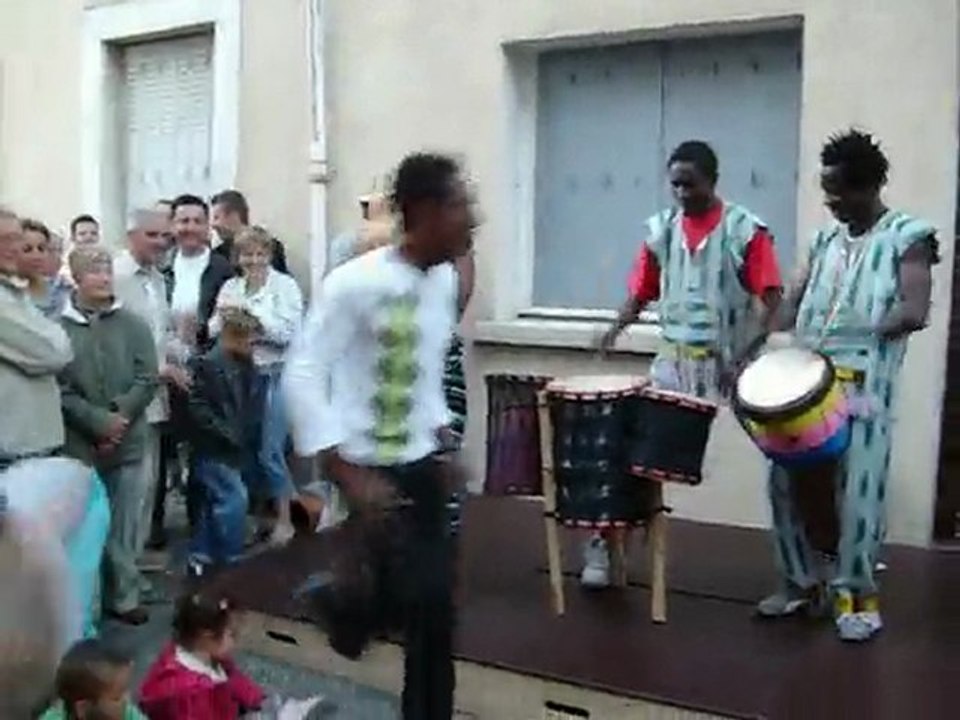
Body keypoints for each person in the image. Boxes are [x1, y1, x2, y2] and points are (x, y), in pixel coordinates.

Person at [284, 152, 472, 719]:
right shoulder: (353, 284)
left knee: (435, 614)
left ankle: (353, 610)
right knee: (418, 602)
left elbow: (425, 369)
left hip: (421, 464)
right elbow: (304, 371)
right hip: (365, 469)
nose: (471, 219)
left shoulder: (442, 283)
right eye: (459, 205)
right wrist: (342, 472)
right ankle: (349, 606)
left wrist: (441, 433)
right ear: (422, 211)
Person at [757, 129, 938, 642]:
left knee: (858, 491)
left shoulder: (909, 236)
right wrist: (772, 338)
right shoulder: (824, 239)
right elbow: (793, 299)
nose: (831, 201)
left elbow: (914, 309)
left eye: (839, 191)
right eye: (827, 190)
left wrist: (864, 331)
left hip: (861, 386)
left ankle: (856, 596)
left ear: (869, 186)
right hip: (806, 382)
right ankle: (799, 585)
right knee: (783, 483)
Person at [585, 140, 784, 589]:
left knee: (787, 449)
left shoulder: (745, 230)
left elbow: (772, 303)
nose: (681, 193)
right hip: (673, 363)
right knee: (635, 453)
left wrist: (746, 355)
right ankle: (604, 543)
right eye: (674, 184)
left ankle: (809, 562)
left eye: (690, 184)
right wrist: (614, 331)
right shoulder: (661, 231)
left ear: (712, 181)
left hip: (730, 361)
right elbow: (641, 291)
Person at [59, 245, 159, 625]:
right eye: (93, 270)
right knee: (86, 526)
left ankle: (125, 596)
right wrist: (97, 422)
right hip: (80, 443)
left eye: (106, 269)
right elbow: (60, 388)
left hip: (129, 440)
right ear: (76, 277)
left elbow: (147, 376)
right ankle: (88, 602)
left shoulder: (133, 325)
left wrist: (119, 416)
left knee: (125, 524)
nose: (102, 277)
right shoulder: (59, 328)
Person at [209, 226, 303, 545]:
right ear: (237, 257)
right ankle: (260, 517)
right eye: (247, 254)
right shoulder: (230, 287)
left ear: (270, 255)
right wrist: (227, 319)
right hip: (239, 375)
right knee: (245, 449)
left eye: (260, 253)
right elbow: (212, 329)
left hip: (275, 373)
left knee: (271, 450)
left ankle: (288, 519)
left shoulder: (285, 286)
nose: (254, 260)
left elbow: (289, 332)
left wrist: (254, 321)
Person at [114, 209, 189, 571]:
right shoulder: (115, 276)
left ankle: (133, 566)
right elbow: (114, 345)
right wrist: (161, 369)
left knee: (148, 489)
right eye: (153, 235)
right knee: (128, 494)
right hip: (128, 401)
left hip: (157, 400)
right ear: (132, 235)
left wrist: (184, 351)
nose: (161, 243)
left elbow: (161, 335)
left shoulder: (158, 279)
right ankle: (120, 577)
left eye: (165, 236)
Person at [187, 307, 264, 577]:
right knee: (234, 500)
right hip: (214, 448)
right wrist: (226, 433)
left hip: (234, 446)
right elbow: (197, 409)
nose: (254, 346)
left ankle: (201, 554)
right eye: (251, 340)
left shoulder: (246, 366)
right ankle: (231, 558)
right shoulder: (207, 365)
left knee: (216, 503)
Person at [0, 208, 74, 471]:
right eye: (3, 240)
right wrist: (55, 335)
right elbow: (55, 352)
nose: (13, 248)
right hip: (13, 447)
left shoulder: (13, 291)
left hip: (26, 443)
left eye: (15, 238)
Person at [138, 592, 265, 719]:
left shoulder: (211, 656)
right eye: (232, 635)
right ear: (206, 636)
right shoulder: (190, 693)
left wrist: (255, 700)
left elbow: (236, 681)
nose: (237, 641)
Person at [38, 639, 148, 720]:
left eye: (125, 691)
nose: (128, 700)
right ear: (83, 708)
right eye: (116, 698)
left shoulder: (126, 713)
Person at [211, 189, 289, 273]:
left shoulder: (271, 247)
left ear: (234, 216)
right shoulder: (217, 255)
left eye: (216, 218)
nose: (213, 225)